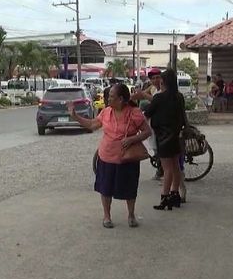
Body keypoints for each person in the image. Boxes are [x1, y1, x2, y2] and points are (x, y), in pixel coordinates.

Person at [70, 83, 151, 228]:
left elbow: (147, 131)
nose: (108, 99)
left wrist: (132, 139)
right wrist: (76, 117)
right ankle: (107, 216)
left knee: (130, 188)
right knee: (105, 188)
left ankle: (131, 215)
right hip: (106, 156)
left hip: (127, 158)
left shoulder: (134, 113)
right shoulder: (106, 112)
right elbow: (92, 125)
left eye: (112, 97)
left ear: (120, 99)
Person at [142, 69, 186, 210]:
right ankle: (175, 195)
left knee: (167, 169)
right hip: (176, 135)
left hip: (163, 137)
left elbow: (147, 113)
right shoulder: (179, 96)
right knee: (176, 166)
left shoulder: (159, 98)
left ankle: (165, 197)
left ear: (163, 81)